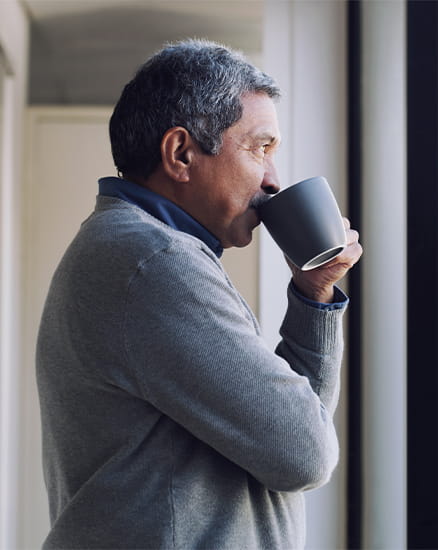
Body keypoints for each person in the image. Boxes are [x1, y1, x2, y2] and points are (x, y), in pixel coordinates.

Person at [36, 39, 362, 549]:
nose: (274, 180)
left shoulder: (133, 249)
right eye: (261, 148)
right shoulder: (154, 263)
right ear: (181, 153)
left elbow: (297, 432)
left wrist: (314, 291)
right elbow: (304, 453)